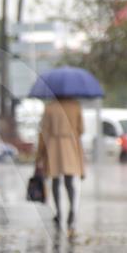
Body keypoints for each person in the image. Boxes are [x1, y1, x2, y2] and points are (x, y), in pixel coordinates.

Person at [36, 97, 85, 228]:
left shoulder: (50, 107)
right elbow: (81, 129)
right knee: (70, 181)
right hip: (71, 145)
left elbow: (44, 132)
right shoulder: (76, 106)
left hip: (53, 147)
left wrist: (39, 156)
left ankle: (58, 212)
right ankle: (72, 209)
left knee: (55, 181)